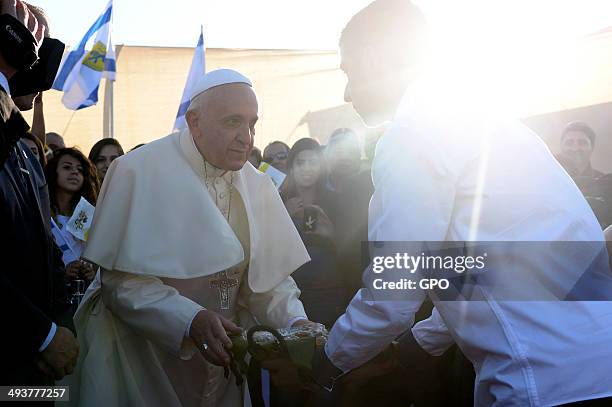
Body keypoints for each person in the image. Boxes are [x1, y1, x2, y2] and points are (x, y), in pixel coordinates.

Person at [310, 1, 612, 406]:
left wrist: (325, 364)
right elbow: (493, 269)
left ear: (373, 57)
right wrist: (411, 348)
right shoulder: (496, 124)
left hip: (541, 384)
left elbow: (396, 289)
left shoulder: (412, 133)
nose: (347, 92)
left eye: (347, 71)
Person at [68, 69, 317, 407]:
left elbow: (268, 281)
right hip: (146, 358)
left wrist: (295, 320)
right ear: (194, 121)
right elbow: (121, 283)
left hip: (225, 358)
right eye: (233, 122)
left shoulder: (257, 185)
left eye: (252, 123)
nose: (247, 137)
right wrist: (190, 320)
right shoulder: (137, 171)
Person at [0, 0, 79, 387]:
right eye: (31, 40)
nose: (40, 58)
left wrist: (61, 325)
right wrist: (42, 336)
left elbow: (46, 251)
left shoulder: (23, 150)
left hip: (34, 376)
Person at [280, 137, 345, 328]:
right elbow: (265, 249)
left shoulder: (335, 201)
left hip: (329, 292)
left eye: (313, 162)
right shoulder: (278, 200)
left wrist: (332, 235)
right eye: (300, 162)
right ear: (291, 166)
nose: (307, 168)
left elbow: (352, 253)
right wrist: (285, 216)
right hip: (290, 293)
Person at [324, 128, 374, 298]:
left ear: (359, 158)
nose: (344, 158)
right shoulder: (312, 192)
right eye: (339, 151)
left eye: (350, 152)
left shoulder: (374, 191)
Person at [45, 148, 98, 283]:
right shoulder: (42, 214)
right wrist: (60, 273)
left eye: (80, 170)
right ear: (54, 172)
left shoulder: (91, 214)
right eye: (67, 167)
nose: (75, 172)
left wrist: (91, 272)